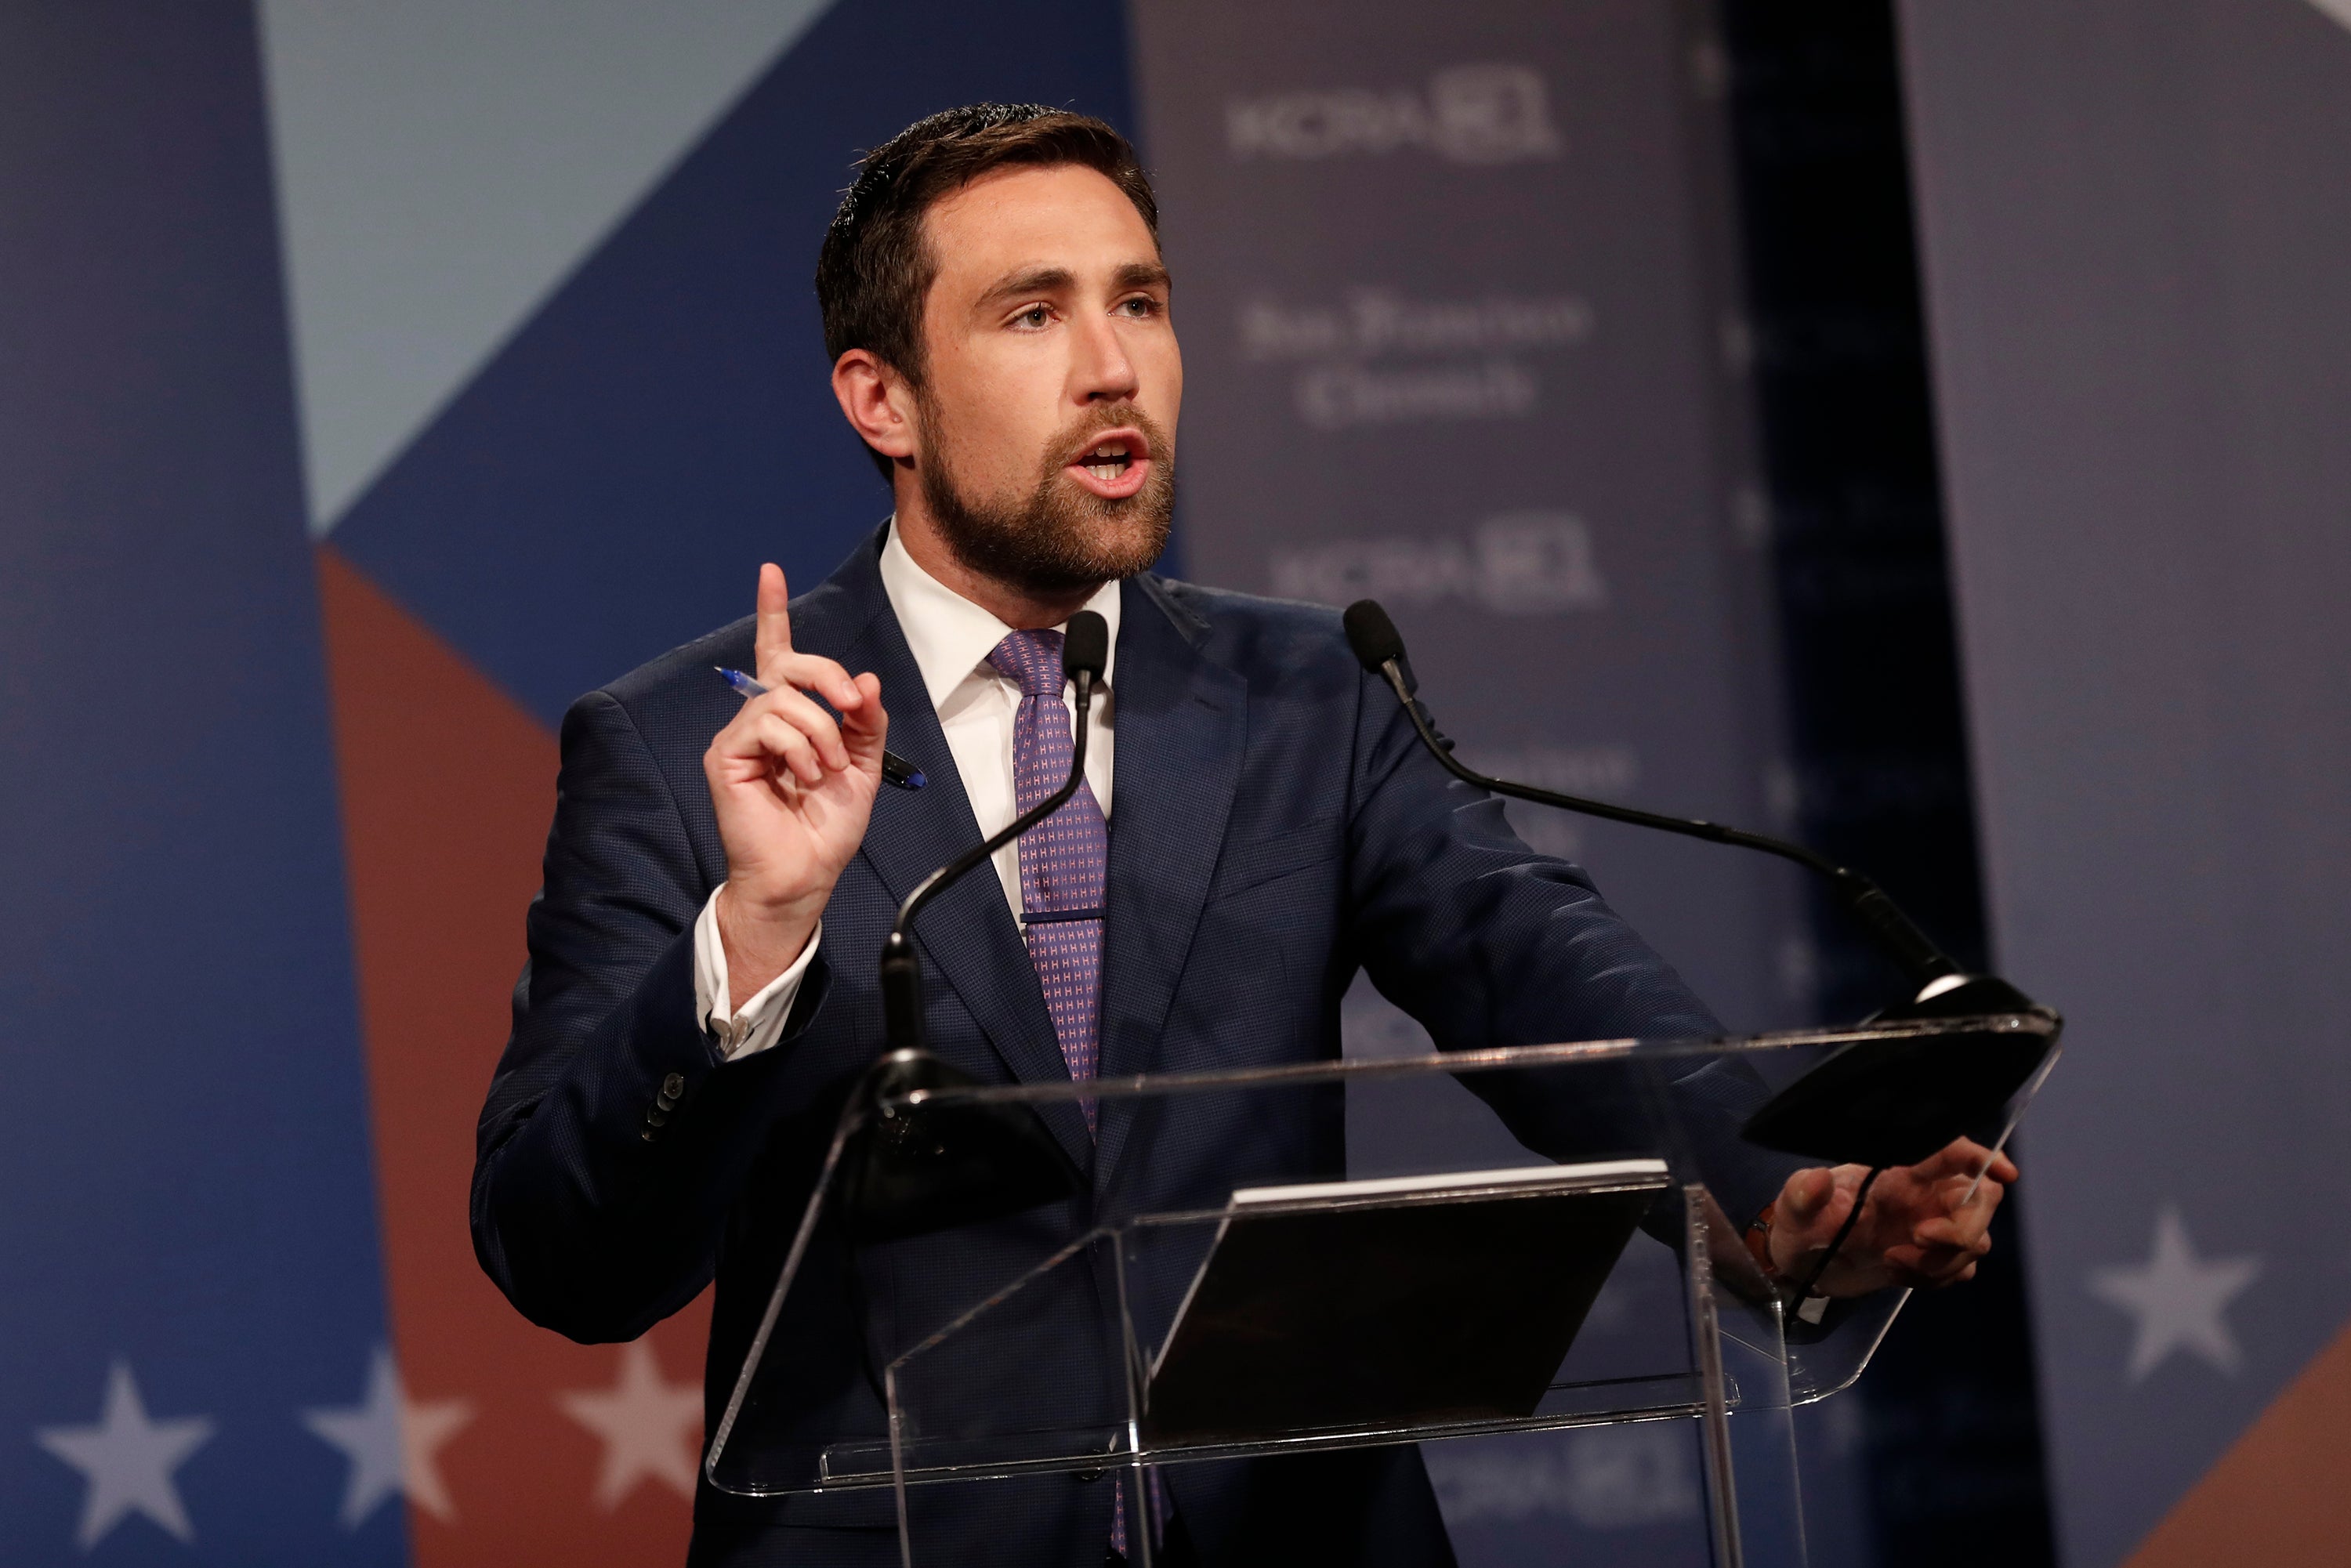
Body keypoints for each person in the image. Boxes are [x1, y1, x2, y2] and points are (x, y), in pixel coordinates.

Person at [470, 104, 2016, 1567]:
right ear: (884, 398)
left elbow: (1536, 960)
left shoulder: (1304, 688)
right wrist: (756, 933)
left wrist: (1774, 1177)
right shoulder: (697, 746)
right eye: (1034, 314)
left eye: (1141, 302)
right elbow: (566, 1256)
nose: (1113, 367)